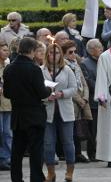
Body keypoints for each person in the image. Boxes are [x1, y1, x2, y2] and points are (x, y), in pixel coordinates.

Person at [3, 37, 51, 182]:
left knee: (17, 150)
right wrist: (49, 89)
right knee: (36, 149)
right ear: (31, 50)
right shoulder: (34, 69)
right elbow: (42, 93)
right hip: (34, 115)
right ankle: (36, 177)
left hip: (18, 115)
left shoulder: (9, 68)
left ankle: (16, 178)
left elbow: (7, 93)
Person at [42, 42, 78, 182]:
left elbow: (74, 88)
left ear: (60, 55)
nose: (53, 56)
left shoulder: (67, 70)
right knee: (49, 143)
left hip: (65, 112)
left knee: (68, 142)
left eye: (57, 53)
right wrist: (46, 96)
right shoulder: (41, 70)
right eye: (51, 53)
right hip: (48, 111)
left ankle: (69, 172)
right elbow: (37, 90)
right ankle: (51, 173)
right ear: (47, 55)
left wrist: (62, 93)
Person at [62, 41, 93, 164]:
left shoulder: (76, 64)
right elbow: (67, 84)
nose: (74, 54)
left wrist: (85, 97)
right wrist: (79, 99)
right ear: (64, 54)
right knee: (73, 128)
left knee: (81, 127)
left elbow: (83, 82)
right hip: (72, 100)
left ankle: (79, 152)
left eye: (75, 51)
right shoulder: (63, 65)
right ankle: (74, 153)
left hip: (82, 99)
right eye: (70, 52)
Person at [80, 39, 103, 162]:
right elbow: (88, 81)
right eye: (98, 47)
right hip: (94, 101)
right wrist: (101, 88)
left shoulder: (103, 60)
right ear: (91, 50)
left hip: (105, 100)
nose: (101, 49)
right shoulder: (85, 63)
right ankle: (92, 153)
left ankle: (102, 151)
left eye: (100, 46)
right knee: (93, 130)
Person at [0, 41, 10, 170]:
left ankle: (7, 158)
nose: (6, 52)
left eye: (7, 50)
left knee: (8, 132)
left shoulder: (8, 65)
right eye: (3, 50)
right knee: (1, 131)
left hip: (8, 103)